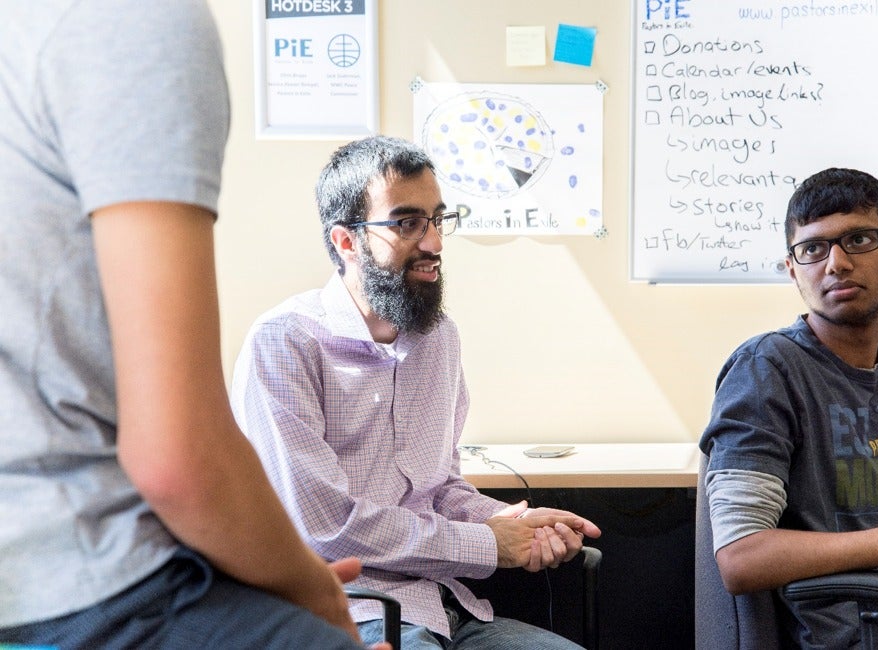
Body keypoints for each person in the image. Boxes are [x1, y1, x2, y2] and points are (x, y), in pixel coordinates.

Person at [0, 2, 380, 648]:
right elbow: (179, 460)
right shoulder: (133, 22)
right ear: (343, 240)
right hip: (78, 581)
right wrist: (318, 596)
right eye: (402, 222)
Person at [230, 135, 602, 649]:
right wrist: (489, 544)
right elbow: (324, 528)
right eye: (407, 224)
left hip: (447, 605)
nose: (434, 244)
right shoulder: (285, 342)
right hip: (345, 613)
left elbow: (438, 487)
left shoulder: (438, 337)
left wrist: (509, 522)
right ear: (346, 242)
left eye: (437, 220)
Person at [700, 166, 878, 648]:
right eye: (813, 248)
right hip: (863, 633)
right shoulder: (766, 371)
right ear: (793, 269)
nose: (836, 263)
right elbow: (742, 557)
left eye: (860, 239)